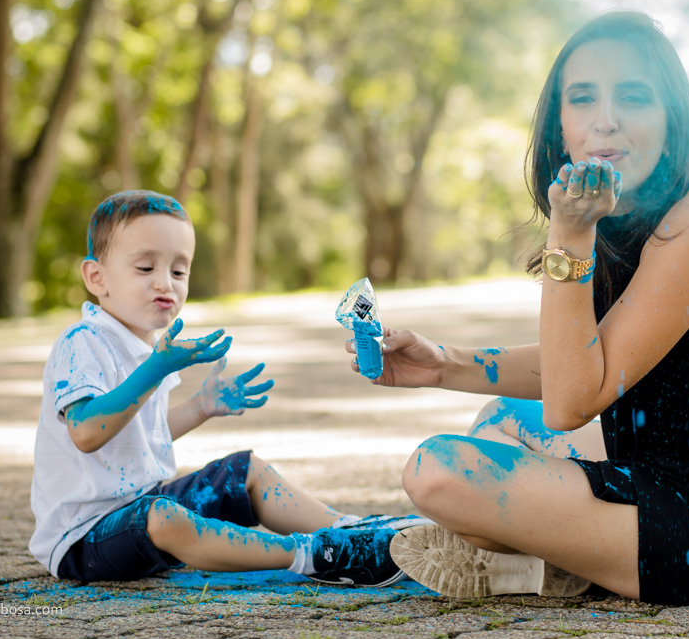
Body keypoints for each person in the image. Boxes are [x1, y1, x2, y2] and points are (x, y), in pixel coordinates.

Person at [355, 11, 689, 605]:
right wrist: (442, 365)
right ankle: (558, 566)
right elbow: (588, 363)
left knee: (437, 469)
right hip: (670, 483)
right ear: (560, 127)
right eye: (583, 99)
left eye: (634, 97)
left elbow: (569, 403)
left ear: (672, 118)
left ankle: (535, 564)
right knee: (501, 419)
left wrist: (570, 235)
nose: (605, 120)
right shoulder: (630, 217)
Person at [30, 190, 420, 585]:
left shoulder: (142, 346)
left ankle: (353, 530)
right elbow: (86, 432)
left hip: (140, 508)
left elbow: (141, 435)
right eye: (145, 268)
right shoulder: (83, 342)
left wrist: (201, 406)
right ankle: (317, 556)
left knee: (244, 470)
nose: (165, 283)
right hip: (83, 539)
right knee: (165, 516)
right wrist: (156, 368)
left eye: (179, 272)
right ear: (97, 277)